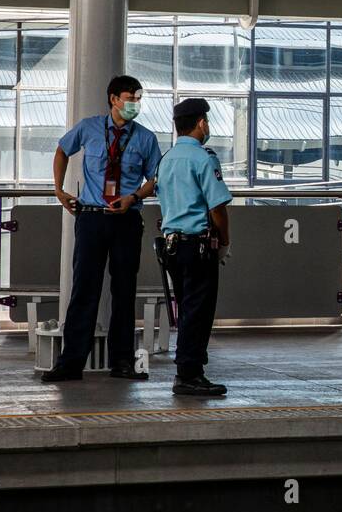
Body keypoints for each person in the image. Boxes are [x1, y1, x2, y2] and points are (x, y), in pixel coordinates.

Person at [42, 75, 162, 383]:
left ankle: (122, 361)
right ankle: (71, 363)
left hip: (127, 218)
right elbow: (61, 150)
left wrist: (135, 196)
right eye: (130, 98)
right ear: (113, 99)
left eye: (138, 98)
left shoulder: (146, 138)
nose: (135, 103)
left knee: (124, 291)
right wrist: (59, 189)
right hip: (92, 217)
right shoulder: (89, 127)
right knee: (85, 289)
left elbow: (155, 179)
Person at [155, 97, 232, 396]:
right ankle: (189, 373)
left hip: (172, 247)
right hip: (198, 248)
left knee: (187, 309)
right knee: (198, 312)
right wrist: (224, 241)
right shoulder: (204, 158)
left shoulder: (167, 159)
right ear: (201, 123)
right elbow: (218, 208)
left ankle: (186, 370)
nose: (208, 127)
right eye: (207, 122)